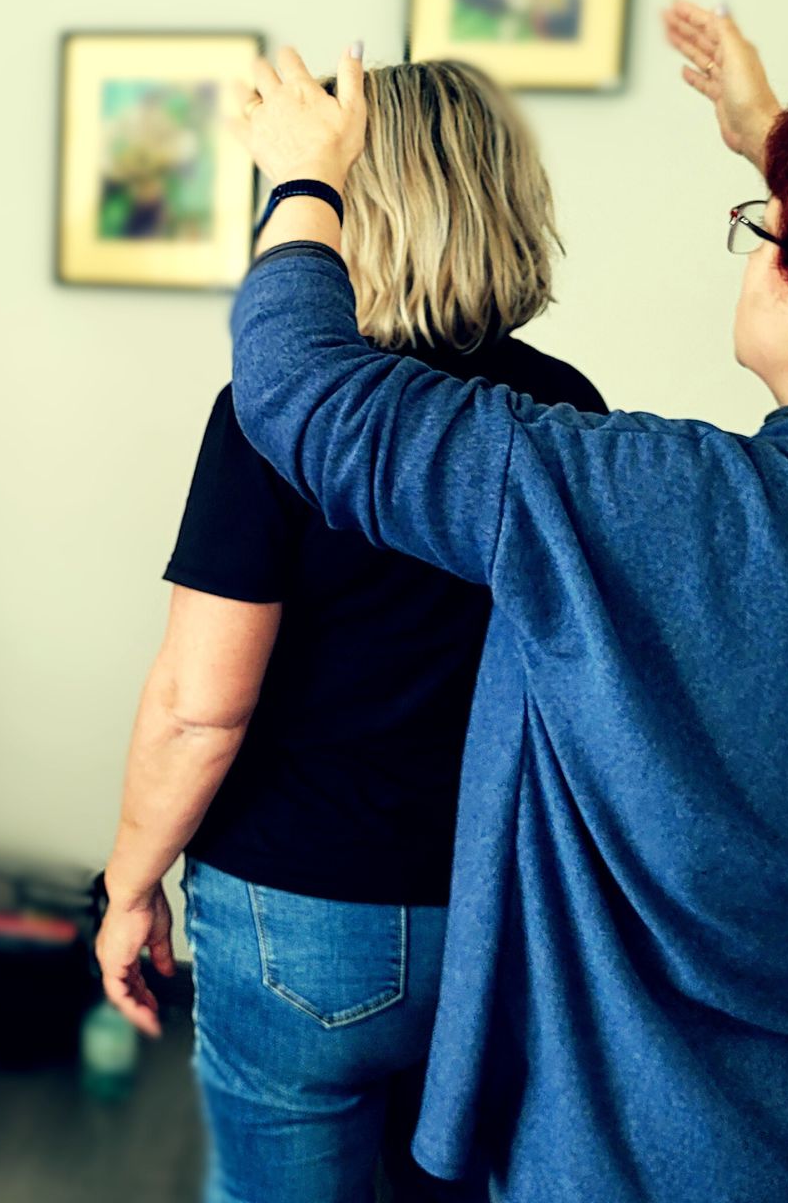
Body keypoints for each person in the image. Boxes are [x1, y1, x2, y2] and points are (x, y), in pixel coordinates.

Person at [217, 33, 788, 1199]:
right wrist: (780, 145)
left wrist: (303, 178)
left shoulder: (667, 507)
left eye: (764, 231)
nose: (748, 252)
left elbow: (301, 387)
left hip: (636, 1159)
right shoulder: (582, 423)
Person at [96, 60, 603, 1202]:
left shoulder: (272, 416)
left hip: (300, 917)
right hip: (497, 908)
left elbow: (197, 706)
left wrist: (127, 886)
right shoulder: (562, 408)